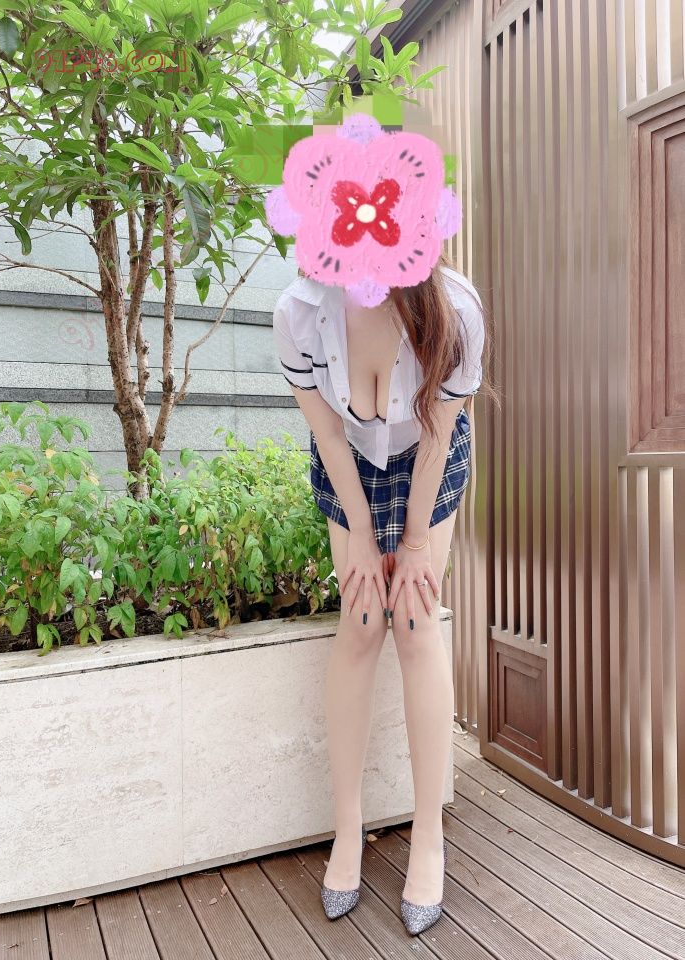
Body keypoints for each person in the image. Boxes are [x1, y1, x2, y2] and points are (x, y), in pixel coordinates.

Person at [272, 248, 487, 935]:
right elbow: (328, 432)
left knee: (416, 624)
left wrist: (415, 541)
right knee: (363, 621)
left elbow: (438, 433)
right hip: (349, 461)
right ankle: (347, 830)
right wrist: (363, 535)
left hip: (428, 455)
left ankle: (429, 836)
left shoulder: (456, 308)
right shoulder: (300, 311)